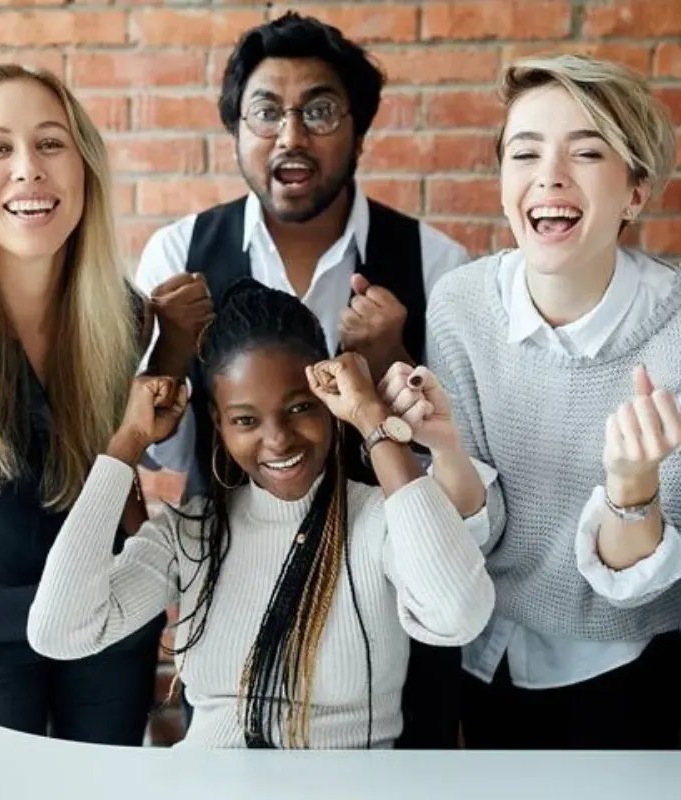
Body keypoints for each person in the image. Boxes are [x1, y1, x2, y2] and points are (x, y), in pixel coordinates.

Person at [137, 10, 474, 749]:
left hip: (390, 609)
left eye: (318, 110)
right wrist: (169, 353)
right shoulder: (177, 253)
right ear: (236, 129)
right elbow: (160, 453)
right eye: (266, 111)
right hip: (233, 605)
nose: (290, 135)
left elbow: (467, 478)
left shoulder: (438, 266)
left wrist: (391, 362)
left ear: (357, 127)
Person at [26, 280, 495, 749]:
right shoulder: (189, 534)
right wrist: (125, 443)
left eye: (299, 408)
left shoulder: (381, 519)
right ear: (220, 422)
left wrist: (373, 420)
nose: (278, 440)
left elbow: (457, 615)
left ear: (331, 402)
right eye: (246, 420)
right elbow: (59, 631)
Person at [0, 64, 180, 744]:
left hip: (104, 620)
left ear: (83, 168)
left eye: (50, 144)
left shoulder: (125, 316)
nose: (28, 169)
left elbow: (126, 465)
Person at [424, 53, 681, 749]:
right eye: (524, 152)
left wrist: (633, 490)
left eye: (587, 151)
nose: (549, 176)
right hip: (488, 659)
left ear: (635, 191)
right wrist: (444, 451)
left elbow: (650, 581)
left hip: (637, 667)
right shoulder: (461, 306)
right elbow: (471, 530)